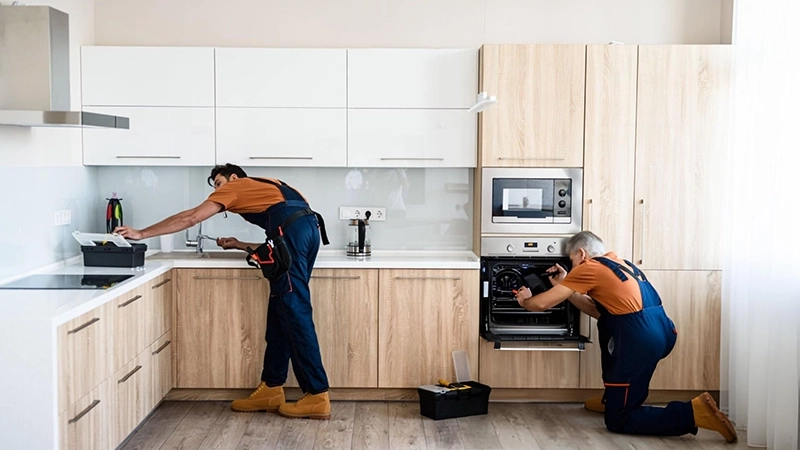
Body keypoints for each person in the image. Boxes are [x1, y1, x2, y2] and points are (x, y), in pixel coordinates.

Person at [114, 163, 332, 420]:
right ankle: (271, 388)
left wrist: (142, 233)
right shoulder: (273, 185)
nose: (217, 191)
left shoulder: (236, 186)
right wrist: (240, 245)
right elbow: (281, 240)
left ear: (234, 177)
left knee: (294, 312)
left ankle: (317, 394)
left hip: (293, 235)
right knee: (282, 310)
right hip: (307, 231)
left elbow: (192, 217)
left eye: (218, 183)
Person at [514, 231, 737, 442]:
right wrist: (566, 284)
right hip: (661, 331)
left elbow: (542, 303)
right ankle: (613, 399)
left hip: (639, 337)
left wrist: (525, 301)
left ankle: (693, 413)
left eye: (572, 261)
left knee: (619, 420)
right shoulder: (624, 265)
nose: (572, 267)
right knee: (608, 322)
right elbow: (598, 311)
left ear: (581, 253)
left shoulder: (588, 267)